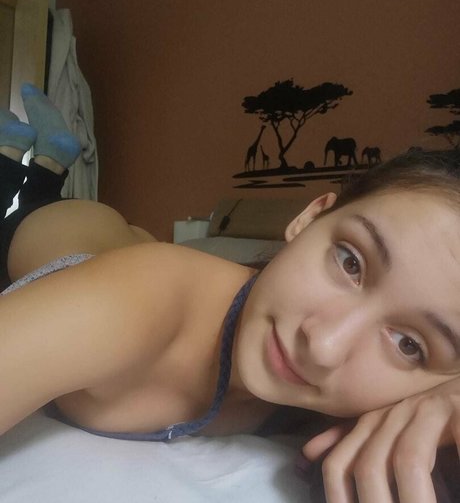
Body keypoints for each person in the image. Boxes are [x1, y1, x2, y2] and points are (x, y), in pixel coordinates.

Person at [0, 84, 459, 502]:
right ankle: (38, 165)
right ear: (307, 220)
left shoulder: (391, 399)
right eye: (350, 262)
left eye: (409, 345)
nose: (323, 346)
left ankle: (53, 158)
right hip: (55, 233)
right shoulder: (132, 301)